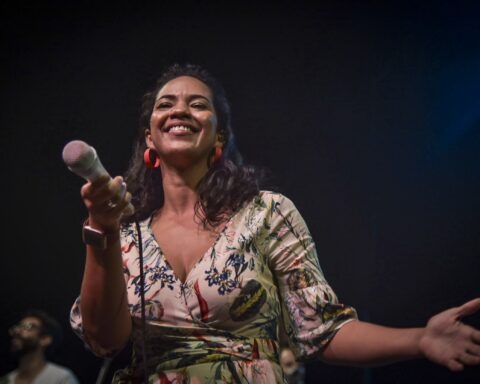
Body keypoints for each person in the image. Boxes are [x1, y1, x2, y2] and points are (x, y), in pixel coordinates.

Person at [69, 63, 480, 383]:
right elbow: (105, 340)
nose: (180, 109)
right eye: (166, 103)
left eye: (198, 103)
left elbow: (323, 330)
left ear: (218, 138)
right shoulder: (125, 233)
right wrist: (100, 228)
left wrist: (419, 339)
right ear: (149, 138)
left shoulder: (267, 213)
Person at [1, 309, 79, 384]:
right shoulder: (5, 380)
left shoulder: (61, 378)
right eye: (18, 327)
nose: (17, 331)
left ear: (44, 339)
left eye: (28, 327)